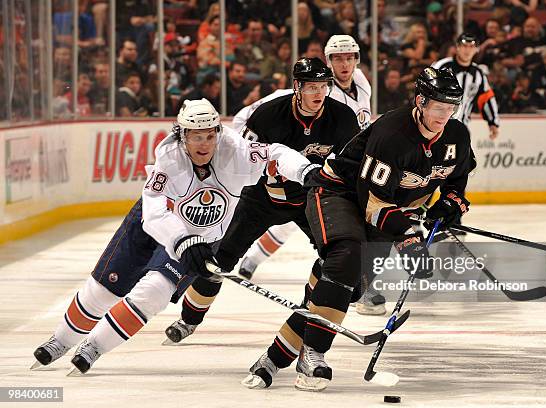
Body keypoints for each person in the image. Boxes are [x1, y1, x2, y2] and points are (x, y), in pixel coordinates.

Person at [31, 99, 316, 374]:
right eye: (195, 137)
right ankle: (61, 340)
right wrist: (181, 239)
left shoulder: (235, 151)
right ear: (182, 136)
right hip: (153, 226)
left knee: (155, 292)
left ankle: (94, 347)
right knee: (104, 290)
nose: (203, 145)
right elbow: (155, 212)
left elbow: (277, 153)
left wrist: (305, 170)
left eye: (209, 136)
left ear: (217, 133)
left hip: (200, 236)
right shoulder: (168, 156)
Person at [241, 66, 475, 391]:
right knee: (347, 255)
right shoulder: (393, 133)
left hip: (384, 209)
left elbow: (457, 175)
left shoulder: (456, 135)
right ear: (420, 101)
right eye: (438, 107)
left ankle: (273, 357)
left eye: (451, 108)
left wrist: (450, 203)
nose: (445, 115)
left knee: (339, 288)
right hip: (338, 194)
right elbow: (373, 203)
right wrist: (407, 237)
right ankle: (313, 356)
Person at [163, 58, 360, 351]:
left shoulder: (342, 118)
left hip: (312, 200)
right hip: (261, 199)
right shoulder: (268, 116)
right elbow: (243, 159)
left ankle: (310, 310)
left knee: (342, 262)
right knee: (219, 261)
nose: (319, 94)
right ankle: (189, 320)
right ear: (297, 87)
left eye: (323, 86)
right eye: (311, 87)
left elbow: (353, 166)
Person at [236, 35, 373, 284]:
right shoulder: (311, 93)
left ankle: (253, 260)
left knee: (309, 226)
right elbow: (250, 118)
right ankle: (251, 259)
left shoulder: (362, 82)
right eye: (338, 58)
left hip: (329, 166)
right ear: (328, 61)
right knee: (289, 219)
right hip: (299, 172)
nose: (345, 64)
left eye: (350, 57)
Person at [432, 33, 501, 140]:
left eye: (471, 46)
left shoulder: (478, 73)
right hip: (436, 126)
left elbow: (486, 98)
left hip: (462, 127)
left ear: (476, 49)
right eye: (464, 46)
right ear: (457, 47)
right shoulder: (441, 67)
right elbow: (425, 91)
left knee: (463, 155)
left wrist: (493, 123)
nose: (467, 50)